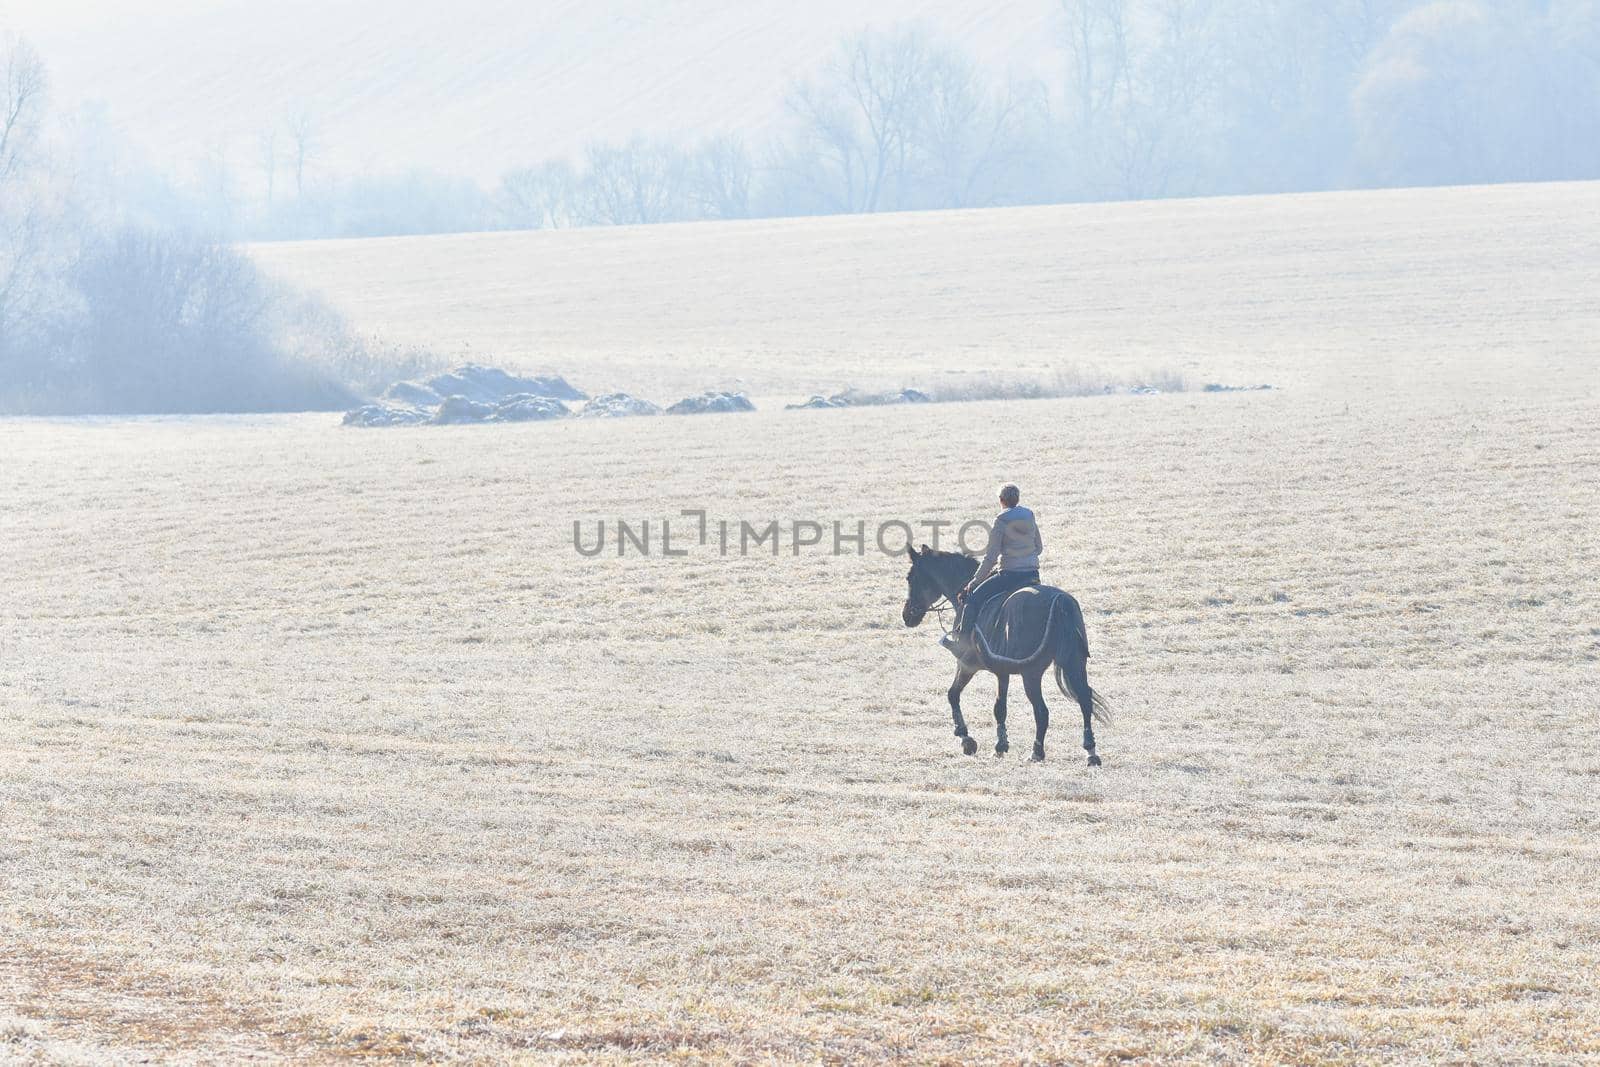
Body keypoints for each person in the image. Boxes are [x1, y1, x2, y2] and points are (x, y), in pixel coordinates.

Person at [942, 484, 1043, 654]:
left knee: (972, 600)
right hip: (1032, 574)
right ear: (1017, 499)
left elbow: (990, 559)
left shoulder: (1001, 520)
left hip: (1010, 576)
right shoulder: (1029, 515)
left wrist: (972, 585)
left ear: (1001, 500)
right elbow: (1039, 548)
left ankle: (962, 644)